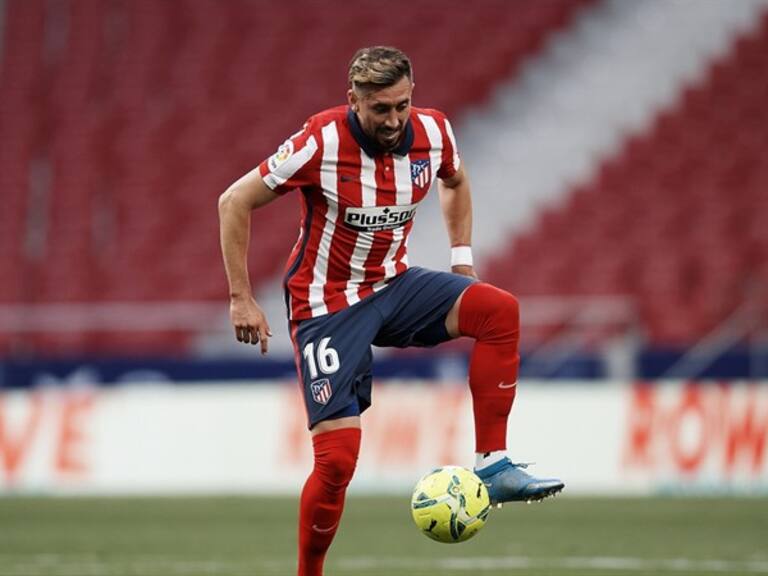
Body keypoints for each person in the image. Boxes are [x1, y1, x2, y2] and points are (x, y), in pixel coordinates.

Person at [218, 46, 563, 576]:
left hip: (392, 285)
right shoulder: (321, 140)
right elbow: (233, 201)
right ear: (353, 100)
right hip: (326, 302)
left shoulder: (434, 132)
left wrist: (462, 259)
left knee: (498, 311)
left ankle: (493, 465)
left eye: (402, 105)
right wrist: (242, 297)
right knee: (337, 463)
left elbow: (456, 179)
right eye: (381, 109)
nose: (394, 119)